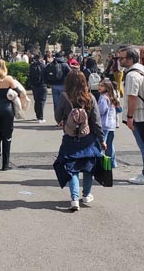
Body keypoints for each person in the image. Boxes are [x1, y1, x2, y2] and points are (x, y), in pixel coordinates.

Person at [54, 70, 106, 211]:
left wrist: (64, 121)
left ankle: (74, 199)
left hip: (70, 138)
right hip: (87, 138)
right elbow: (96, 122)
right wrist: (102, 140)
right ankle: (86, 194)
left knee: (72, 168)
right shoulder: (90, 97)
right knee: (88, 167)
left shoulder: (64, 97)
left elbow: (57, 116)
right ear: (84, 82)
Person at [120, 46, 144, 185]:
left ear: (130, 59)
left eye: (122, 58)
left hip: (140, 116)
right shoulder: (142, 68)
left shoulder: (131, 75)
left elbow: (132, 97)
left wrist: (130, 117)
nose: (119, 60)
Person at [98, 78, 120, 169]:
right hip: (112, 124)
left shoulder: (103, 98)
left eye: (102, 86)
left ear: (107, 88)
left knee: (102, 144)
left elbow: (101, 111)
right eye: (99, 85)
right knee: (110, 144)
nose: (99, 87)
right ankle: (112, 162)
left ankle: (102, 164)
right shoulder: (111, 96)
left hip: (104, 123)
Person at [46, 52, 71, 121]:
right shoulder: (65, 64)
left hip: (54, 86)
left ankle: (58, 119)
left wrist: (48, 82)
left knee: (56, 103)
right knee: (65, 103)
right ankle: (64, 118)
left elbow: (44, 72)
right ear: (62, 57)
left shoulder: (51, 64)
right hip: (64, 86)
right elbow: (71, 73)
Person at [28, 54, 47, 123]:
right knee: (41, 101)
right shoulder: (43, 66)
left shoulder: (32, 66)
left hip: (34, 86)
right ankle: (40, 117)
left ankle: (37, 116)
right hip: (42, 85)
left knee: (36, 100)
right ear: (41, 58)